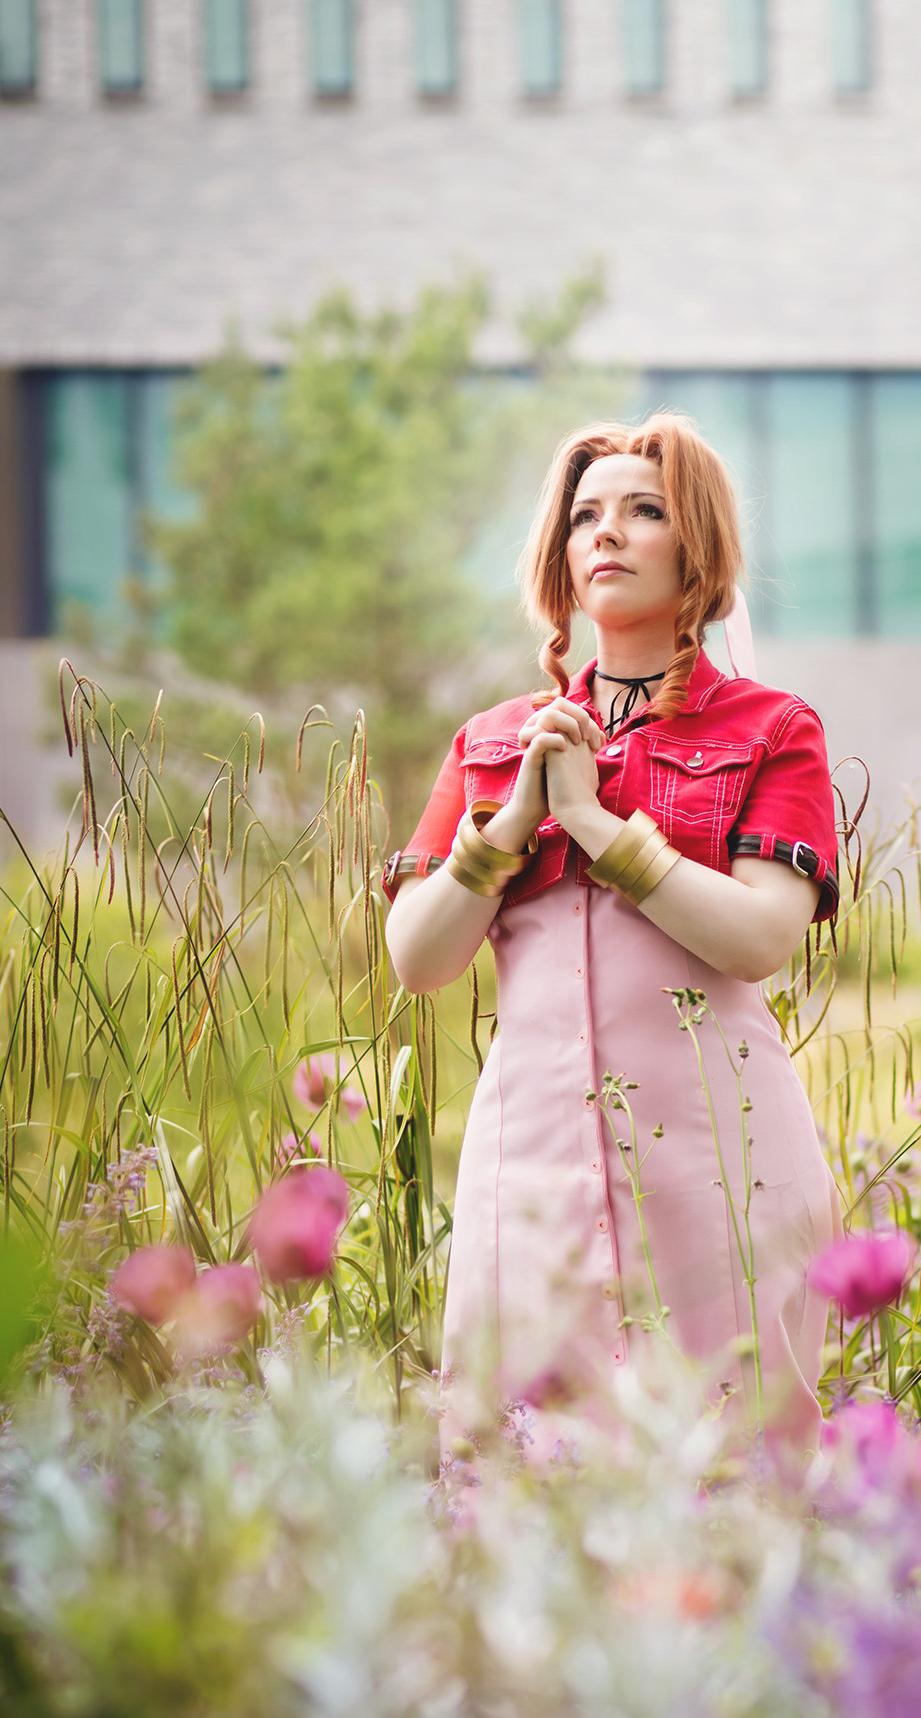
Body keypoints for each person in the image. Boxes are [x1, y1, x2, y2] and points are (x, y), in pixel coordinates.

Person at [384, 415, 840, 1467]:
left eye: (644, 510)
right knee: (518, 1470)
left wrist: (595, 825)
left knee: (730, 1465)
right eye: (587, 514)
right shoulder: (495, 743)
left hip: (723, 1159)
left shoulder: (771, 727)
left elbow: (762, 937)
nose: (610, 533)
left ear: (699, 548)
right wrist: (511, 822)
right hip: (528, 1160)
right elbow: (419, 958)